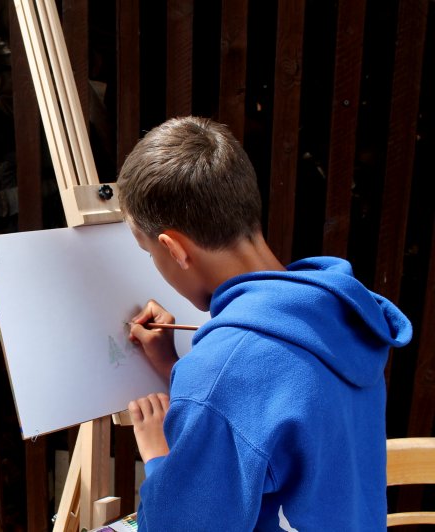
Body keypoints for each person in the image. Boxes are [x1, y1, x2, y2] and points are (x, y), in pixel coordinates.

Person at [118, 116, 412, 530]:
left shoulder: (222, 373)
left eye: (151, 254)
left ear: (175, 249)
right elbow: (270, 416)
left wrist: (158, 454)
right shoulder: (337, 315)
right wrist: (174, 369)